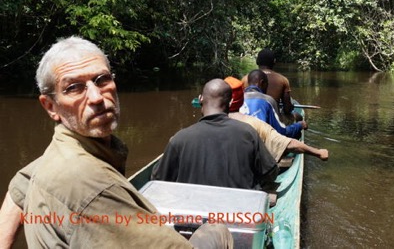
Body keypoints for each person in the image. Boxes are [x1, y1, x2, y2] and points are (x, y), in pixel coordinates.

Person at [0, 36, 232, 247]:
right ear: (50, 106)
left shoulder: (60, 153)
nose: (96, 97)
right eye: (74, 88)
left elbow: (19, 185)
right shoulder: (92, 187)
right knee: (218, 230)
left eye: (102, 80)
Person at [152, 79, 278, 190]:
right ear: (231, 102)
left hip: (193, 214)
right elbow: (270, 172)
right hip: (237, 214)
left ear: (200, 99)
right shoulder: (248, 133)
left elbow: (158, 179)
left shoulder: (179, 139)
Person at [224, 77, 328, 162]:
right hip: (256, 162)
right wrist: (318, 152)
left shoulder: (209, 122)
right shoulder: (256, 123)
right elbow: (283, 136)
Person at [244, 70, 307, 139]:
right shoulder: (269, 100)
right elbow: (280, 131)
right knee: (298, 122)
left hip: (243, 137)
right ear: (262, 83)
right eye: (267, 85)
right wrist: (299, 125)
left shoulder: (239, 98)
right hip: (260, 141)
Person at [242, 49, 296, 120]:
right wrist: (291, 107)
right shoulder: (283, 80)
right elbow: (287, 109)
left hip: (251, 119)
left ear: (257, 61)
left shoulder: (245, 79)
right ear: (274, 62)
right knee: (297, 116)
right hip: (275, 120)